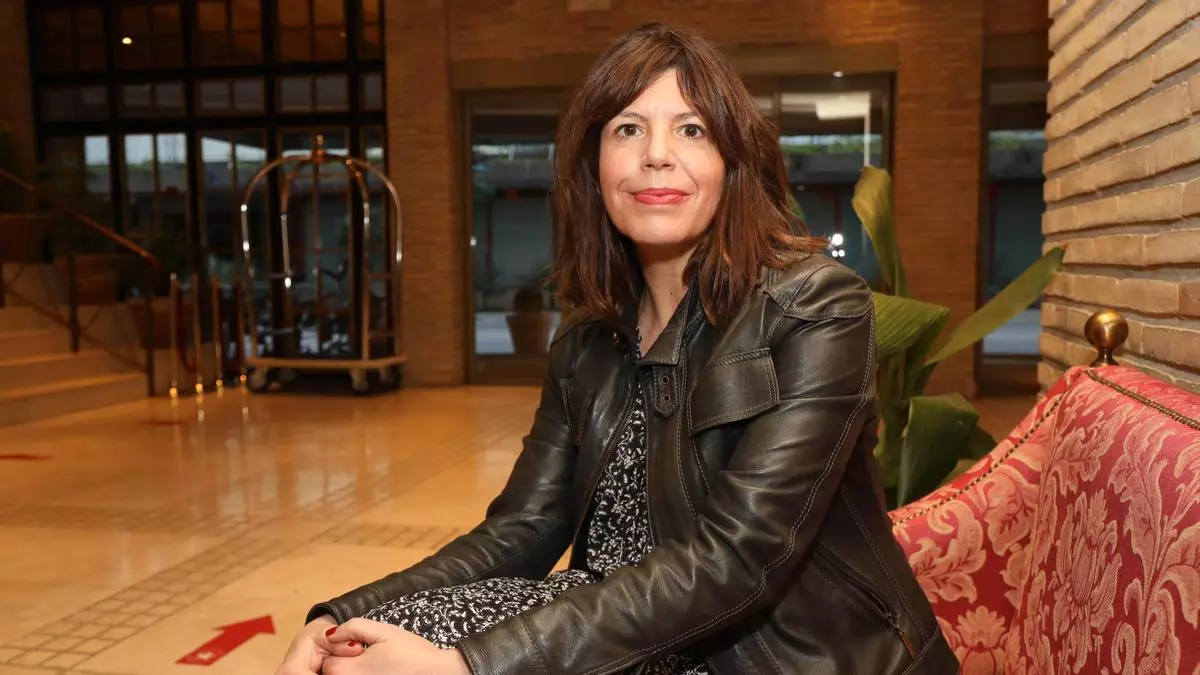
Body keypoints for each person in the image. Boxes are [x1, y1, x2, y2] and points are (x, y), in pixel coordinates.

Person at [277, 22, 959, 675]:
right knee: (360, 650)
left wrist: (468, 665)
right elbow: (522, 529)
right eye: (628, 128)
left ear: (732, 162)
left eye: (692, 129)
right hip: (619, 624)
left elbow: (736, 558)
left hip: (779, 653)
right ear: (594, 166)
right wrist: (341, 615)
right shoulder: (587, 337)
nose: (656, 153)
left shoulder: (816, 307)